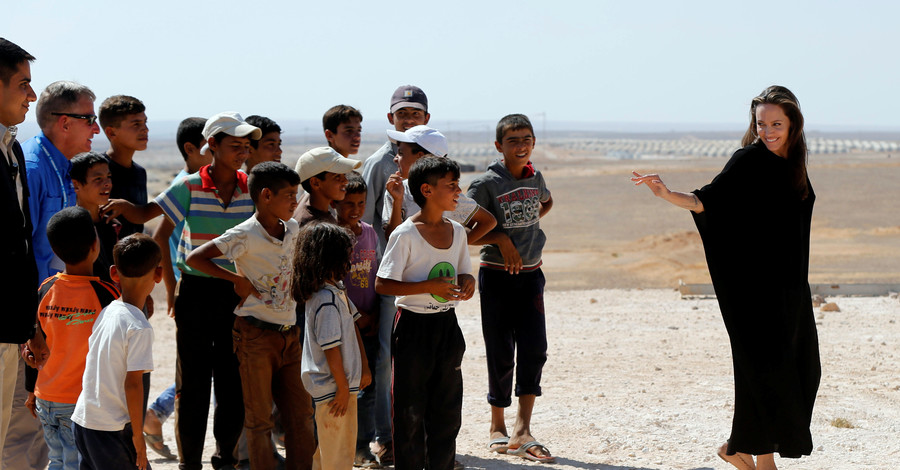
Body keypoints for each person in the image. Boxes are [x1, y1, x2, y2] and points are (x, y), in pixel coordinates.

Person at [631, 85, 820, 470]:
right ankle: (761, 461)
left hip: (790, 291)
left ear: (793, 125)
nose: (768, 131)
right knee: (763, 370)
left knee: (803, 369)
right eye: (761, 123)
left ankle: (738, 447)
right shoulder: (748, 159)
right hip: (754, 292)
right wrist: (666, 194)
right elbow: (708, 201)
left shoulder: (794, 163)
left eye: (776, 124)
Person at [101, 111, 261, 469]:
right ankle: (190, 464)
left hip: (236, 295)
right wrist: (129, 210)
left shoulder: (250, 187)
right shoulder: (188, 185)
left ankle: (225, 459)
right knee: (193, 385)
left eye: (246, 146)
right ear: (212, 146)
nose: (242, 152)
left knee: (232, 383)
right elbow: (151, 215)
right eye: (235, 145)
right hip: (197, 293)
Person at [186, 161, 315, 470]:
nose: (294, 202)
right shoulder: (244, 234)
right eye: (289, 195)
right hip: (255, 336)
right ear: (266, 195)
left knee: (300, 417)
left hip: (289, 334)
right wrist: (235, 280)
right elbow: (195, 258)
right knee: (258, 422)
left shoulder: (293, 229)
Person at [375, 155, 475, 470]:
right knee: (409, 413)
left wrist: (468, 281)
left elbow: (463, 272)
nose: (459, 191)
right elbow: (382, 284)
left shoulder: (457, 231)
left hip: (447, 327)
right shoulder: (404, 234)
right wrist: (427, 286)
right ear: (427, 191)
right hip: (412, 330)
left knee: (447, 413)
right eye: (452, 185)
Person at [467, 114, 554, 463]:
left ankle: (523, 428)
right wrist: (502, 238)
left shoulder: (535, 177)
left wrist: (526, 230)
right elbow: (466, 234)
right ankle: (497, 427)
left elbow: (545, 202)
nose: (521, 145)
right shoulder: (485, 184)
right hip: (498, 277)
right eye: (514, 140)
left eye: (527, 139)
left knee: (535, 349)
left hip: (532, 275)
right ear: (499, 146)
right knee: (501, 351)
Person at [361, 85, 430, 464]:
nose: (408, 119)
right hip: (390, 276)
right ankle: (385, 436)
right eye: (401, 114)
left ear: (426, 118)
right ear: (391, 119)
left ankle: (415, 433)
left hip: (427, 278)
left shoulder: (432, 163)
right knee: (388, 355)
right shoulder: (378, 164)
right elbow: (366, 224)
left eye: (414, 113)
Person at [23, 206, 119, 470]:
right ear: (95, 246)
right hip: (80, 402)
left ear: (55, 250)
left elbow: (34, 345)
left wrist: (32, 389)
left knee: (56, 461)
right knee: (77, 464)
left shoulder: (46, 289)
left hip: (46, 398)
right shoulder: (106, 294)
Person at [142, 116, 210, 461]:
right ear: (192, 149)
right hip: (190, 289)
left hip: (188, 288)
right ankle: (156, 414)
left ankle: (157, 414)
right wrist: (171, 290)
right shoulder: (189, 185)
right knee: (200, 371)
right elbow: (162, 237)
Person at [71, 233, 161, 470]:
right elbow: (133, 384)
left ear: (113, 273)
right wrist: (139, 439)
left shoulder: (109, 310)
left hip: (84, 420)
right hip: (112, 430)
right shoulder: (138, 327)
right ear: (159, 275)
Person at [0, 37, 49, 470]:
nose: (31, 95)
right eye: (22, 84)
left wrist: (29, 322)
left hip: (10, 329)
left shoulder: (11, 148)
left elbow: (19, 243)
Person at [293, 222, 371, 470]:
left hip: (339, 387)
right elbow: (331, 348)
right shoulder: (325, 299)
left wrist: (364, 368)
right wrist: (343, 387)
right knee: (338, 455)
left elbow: (354, 325)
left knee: (328, 453)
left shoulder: (336, 291)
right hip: (335, 390)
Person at [23, 80, 100, 283]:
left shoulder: (62, 164)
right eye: (90, 119)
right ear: (65, 123)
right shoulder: (32, 168)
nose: (96, 128)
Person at [331, 173, 381, 467]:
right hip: (342, 325)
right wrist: (356, 316)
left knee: (368, 387)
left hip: (370, 323)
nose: (355, 209)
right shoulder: (333, 237)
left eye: (361, 203)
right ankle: (338, 444)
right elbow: (335, 283)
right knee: (343, 387)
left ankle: (363, 446)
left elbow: (373, 275)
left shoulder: (370, 233)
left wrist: (373, 313)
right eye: (348, 203)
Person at [382, 124, 495, 242]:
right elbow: (391, 238)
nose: (395, 158)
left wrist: (457, 247)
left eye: (401, 153)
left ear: (420, 157)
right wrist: (397, 201)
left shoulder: (450, 195)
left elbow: (488, 221)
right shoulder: (396, 192)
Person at [98, 95, 149, 238]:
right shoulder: (96, 171)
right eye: (136, 124)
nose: (145, 129)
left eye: (145, 122)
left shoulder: (139, 172)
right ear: (111, 132)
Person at [70, 152, 117, 283]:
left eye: (109, 176)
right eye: (98, 179)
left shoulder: (113, 224)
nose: (107, 183)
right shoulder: (72, 229)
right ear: (76, 185)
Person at [291, 146, 360, 226]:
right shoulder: (312, 226)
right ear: (315, 183)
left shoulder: (319, 211)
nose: (345, 181)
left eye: (344, 175)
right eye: (337, 176)